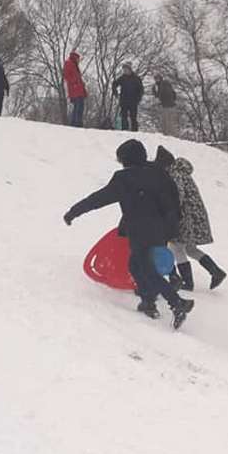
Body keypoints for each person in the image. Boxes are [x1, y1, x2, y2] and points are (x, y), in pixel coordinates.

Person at [63, 139, 194, 328]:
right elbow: (173, 198)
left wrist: (74, 212)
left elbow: (98, 199)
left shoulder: (125, 179)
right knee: (135, 266)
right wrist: (172, 224)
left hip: (140, 231)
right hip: (161, 230)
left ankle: (177, 303)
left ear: (125, 159)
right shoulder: (158, 173)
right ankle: (148, 302)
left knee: (147, 269)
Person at [154, 146, 227, 291]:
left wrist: (167, 210)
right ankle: (216, 271)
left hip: (185, 216)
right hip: (195, 216)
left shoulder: (175, 174)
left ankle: (188, 283)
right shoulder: (182, 172)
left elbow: (177, 195)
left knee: (177, 247)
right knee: (190, 248)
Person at [112, 62, 144, 131]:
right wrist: (115, 93)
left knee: (133, 117)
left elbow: (141, 89)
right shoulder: (122, 78)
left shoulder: (136, 78)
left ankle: (134, 131)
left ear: (130, 69)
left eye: (126, 69)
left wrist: (138, 98)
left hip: (133, 101)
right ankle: (124, 130)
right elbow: (114, 84)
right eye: (124, 70)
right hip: (124, 100)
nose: (125, 71)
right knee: (124, 116)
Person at [63, 51, 87, 127]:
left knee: (79, 106)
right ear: (75, 58)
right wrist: (74, 82)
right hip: (75, 89)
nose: (79, 61)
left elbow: (78, 78)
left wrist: (83, 88)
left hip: (78, 90)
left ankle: (76, 123)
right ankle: (76, 123)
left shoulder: (74, 65)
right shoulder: (69, 63)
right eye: (78, 59)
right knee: (78, 107)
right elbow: (66, 76)